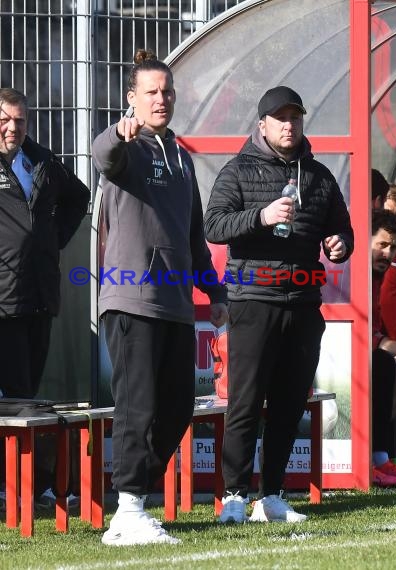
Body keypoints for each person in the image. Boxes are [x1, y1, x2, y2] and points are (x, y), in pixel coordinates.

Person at [92, 49, 227, 546]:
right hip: (131, 300)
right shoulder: (127, 148)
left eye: (167, 91)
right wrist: (118, 131)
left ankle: (131, 500)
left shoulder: (183, 158)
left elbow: (193, 237)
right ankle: (128, 510)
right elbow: (101, 155)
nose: (161, 99)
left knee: (176, 409)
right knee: (138, 405)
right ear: (133, 99)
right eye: (150, 92)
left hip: (174, 303)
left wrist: (214, 292)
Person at [204, 85, 354, 523]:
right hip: (253, 301)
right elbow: (214, 225)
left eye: (296, 117)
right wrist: (262, 216)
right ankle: (233, 495)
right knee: (245, 403)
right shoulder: (237, 170)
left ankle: (270, 495)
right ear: (262, 125)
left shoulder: (320, 177)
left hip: (304, 305)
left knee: (290, 403)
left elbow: (342, 228)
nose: (289, 125)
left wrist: (339, 244)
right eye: (280, 118)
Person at [0, 88, 90, 504]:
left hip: (39, 295)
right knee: (15, 395)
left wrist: (52, 240)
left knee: (27, 395)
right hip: (4, 299)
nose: (12, 128)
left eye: (19, 120)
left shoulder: (42, 162)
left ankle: (28, 486)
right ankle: (19, 487)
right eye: (5, 119)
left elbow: (79, 197)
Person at [371, 208, 396, 485]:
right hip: (336, 355)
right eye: (382, 245)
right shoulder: (351, 271)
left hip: (372, 348)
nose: (388, 252)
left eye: (393, 247)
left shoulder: (380, 274)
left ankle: (379, 457)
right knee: (385, 365)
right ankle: (372, 456)